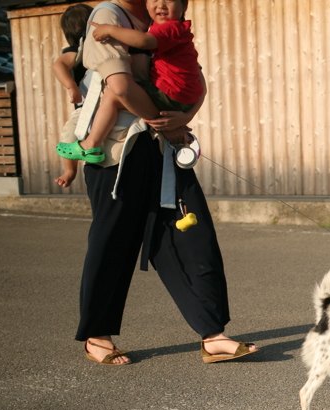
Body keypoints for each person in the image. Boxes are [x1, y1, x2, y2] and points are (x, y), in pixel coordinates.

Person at [74, 0, 257, 365]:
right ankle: (97, 335)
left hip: (165, 148)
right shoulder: (108, 17)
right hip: (118, 153)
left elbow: (197, 82)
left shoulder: (165, 22)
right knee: (114, 241)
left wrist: (183, 118)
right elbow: (121, 86)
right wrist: (169, 123)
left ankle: (212, 333)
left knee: (193, 235)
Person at [56, 0, 201, 165]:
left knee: (112, 94)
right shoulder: (163, 23)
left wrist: (168, 125)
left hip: (136, 138)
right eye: (155, 0)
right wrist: (182, 118)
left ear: (183, 6)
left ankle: (90, 144)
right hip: (147, 131)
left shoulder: (167, 26)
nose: (160, 5)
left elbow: (122, 88)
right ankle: (73, 166)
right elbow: (199, 80)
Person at [51, 3, 93, 188]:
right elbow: (58, 66)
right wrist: (72, 87)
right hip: (85, 108)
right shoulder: (77, 50)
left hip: (108, 105)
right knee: (68, 137)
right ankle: (70, 170)